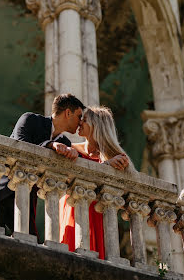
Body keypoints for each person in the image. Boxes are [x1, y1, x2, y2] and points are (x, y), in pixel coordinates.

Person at [0, 94, 85, 235]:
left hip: (24, 200)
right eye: (79, 116)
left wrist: (107, 161)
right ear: (68, 113)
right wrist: (50, 145)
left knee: (30, 245)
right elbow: (21, 149)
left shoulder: (65, 143)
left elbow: (83, 162)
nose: (80, 122)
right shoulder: (30, 120)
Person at [59, 106, 134, 259]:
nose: (80, 123)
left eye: (85, 120)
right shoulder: (72, 149)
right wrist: (106, 166)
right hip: (73, 205)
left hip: (98, 211)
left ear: (96, 126)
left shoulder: (116, 156)